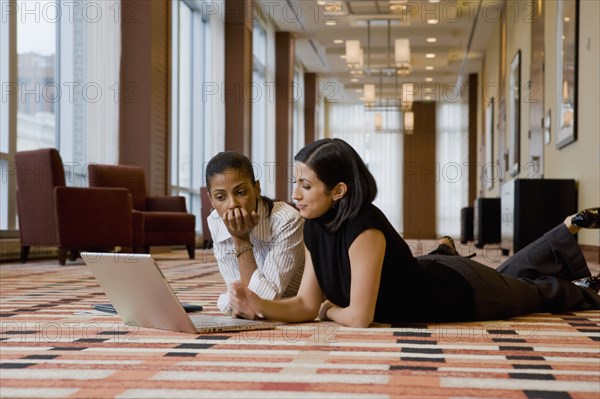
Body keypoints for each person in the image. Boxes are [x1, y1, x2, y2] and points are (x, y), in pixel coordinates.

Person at [228, 138, 600, 327]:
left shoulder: (364, 228)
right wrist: (259, 306)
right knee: (511, 275)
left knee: (535, 293)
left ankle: (586, 286)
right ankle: (564, 231)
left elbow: (358, 317)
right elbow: (305, 304)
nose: (294, 194)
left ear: (338, 190)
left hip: (462, 292)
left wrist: (329, 309)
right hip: (434, 273)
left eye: (305, 185)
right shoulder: (315, 227)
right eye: (295, 182)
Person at [205, 151, 304, 314]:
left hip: (298, 299)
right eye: (221, 197)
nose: (232, 205)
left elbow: (262, 301)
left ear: (256, 188)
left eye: (240, 192)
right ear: (211, 200)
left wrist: (241, 239)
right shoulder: (215, 220)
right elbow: (238, 293)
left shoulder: (287, 220)